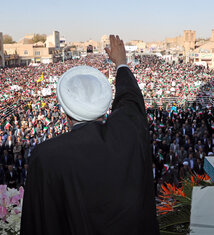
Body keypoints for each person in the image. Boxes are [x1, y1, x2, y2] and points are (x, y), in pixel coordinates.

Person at [21, 35, 159, 234]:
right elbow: (131, 101)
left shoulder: (46, 157)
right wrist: (121, 63)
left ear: (66, 112)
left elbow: (39, 223)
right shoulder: (129, 133)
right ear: (104, 108)